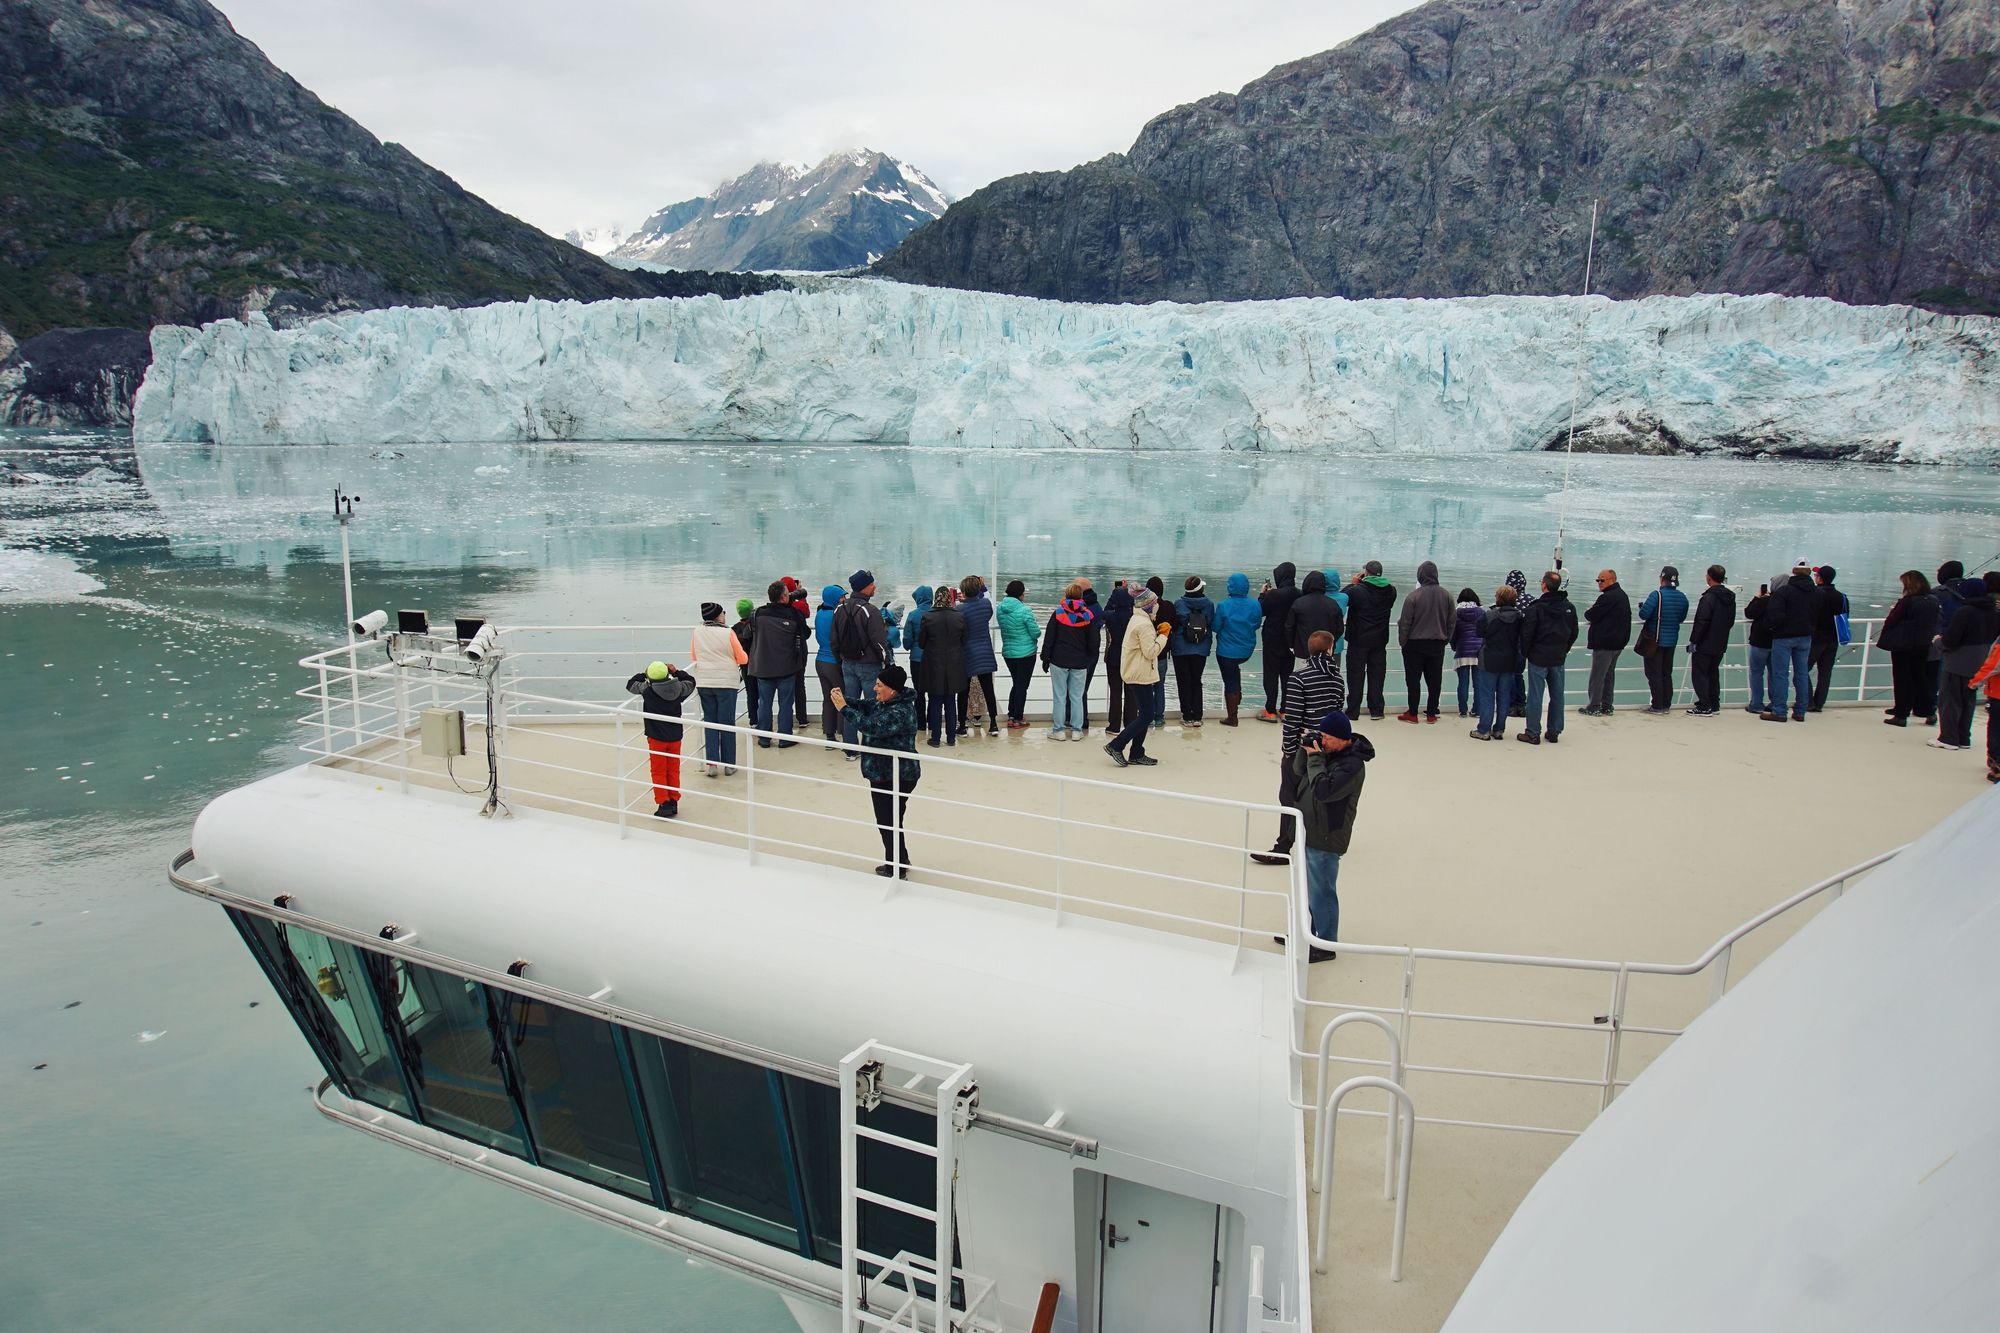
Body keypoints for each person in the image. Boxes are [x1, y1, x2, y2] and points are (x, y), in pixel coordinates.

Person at [1251, 630, 1346, 865]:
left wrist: (1288, 749)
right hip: (1328, 747)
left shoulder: (1299, 678)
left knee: (1289, 795)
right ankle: (1325, 842)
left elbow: (1292, 718)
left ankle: (1283, 847)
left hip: (1303, 747)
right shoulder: (1337, 679)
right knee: (1322, 794)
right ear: (1330, 649)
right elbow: (1338, 712)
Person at [1291, 708, 1374, 963]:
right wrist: (1305, 750)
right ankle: (1309, 936)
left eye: (1327, 737)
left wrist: (1316, 758)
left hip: (1327, 836)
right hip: (1311, 830)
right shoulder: (1329, 751)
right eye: (1321, 735)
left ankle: (1325, 945)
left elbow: (1324, 791)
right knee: (1310, 889)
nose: (1323, 741)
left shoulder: (1352, 765)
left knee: (1322, 892)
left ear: (1342, 738)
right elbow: (1298, 771)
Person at [829, 664, 920, 878]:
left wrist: (843, 709)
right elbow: (865, 705)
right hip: (883, 774)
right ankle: (899, 860)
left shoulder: (900, 710)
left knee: (888, 821)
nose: (875, 689)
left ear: (892, 689)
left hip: (896, 775)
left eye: (879, 685)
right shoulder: (885, 702)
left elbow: (873, 727)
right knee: (890, 821)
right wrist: (844, 699)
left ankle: (896, 868)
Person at [1104, 586, 1170, 767]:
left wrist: (1156, 635)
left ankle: (1136, 752)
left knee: (1145, 714)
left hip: (1136, 671)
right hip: (1140, 674)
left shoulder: (1137, 619)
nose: (1157, 605)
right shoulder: (1144, 624)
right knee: (1147, 714)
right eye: (1154, 602)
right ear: (1148, 605)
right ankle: (1116, 745)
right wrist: (1163, 636)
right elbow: (1150, 652)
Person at [624, 660, 695, 818]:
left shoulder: (647, 690)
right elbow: (691, 681)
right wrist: (676, 672)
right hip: (675, 737)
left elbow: (630, 684)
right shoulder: (679, 688)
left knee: (658, 771)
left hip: (656, 738)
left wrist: (644, 674)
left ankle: (664, 803)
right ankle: (674, 800)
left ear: (650, 677)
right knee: (673, 769)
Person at [831, 569, 891, 756]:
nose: (875, 586)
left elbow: (834, 640)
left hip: (847, 663)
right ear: (865, 587)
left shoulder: (839, 609)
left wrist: (839, 659)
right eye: (872, 584)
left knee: (850, 705)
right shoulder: (870, 611)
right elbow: (879, 642)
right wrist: (887, 663)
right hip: (869, 665)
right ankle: (873, 747)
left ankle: (850, 748)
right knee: (874, 705)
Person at [1935, 578, 1999, 751]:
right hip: (1980, 662)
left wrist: (1938, 642)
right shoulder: (1994, 612)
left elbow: (1951, 640)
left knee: (1949, 700)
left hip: (1957, 662)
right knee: (1968, 700)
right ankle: (1963, 737)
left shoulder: (1965, 612)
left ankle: (1948, 737)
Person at [1517, 571, 1578, 743]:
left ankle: (1532, 732)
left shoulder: (1536, 608)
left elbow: (1527, 634)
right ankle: (1554, 731)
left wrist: (1527, 652)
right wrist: (1564, 649)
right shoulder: (1568, 607)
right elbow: (1574, 632)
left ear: (1544, 585)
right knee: (1557, 695)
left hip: (1538, 657)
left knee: (1535, 696)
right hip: (1558, 657)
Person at [688, 602, 749, 775]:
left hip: (705, 682)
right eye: (723, 612)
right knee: (727, 723)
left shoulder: (697, 631)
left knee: (710, 721)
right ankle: (729, 765)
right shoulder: (727, 632)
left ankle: (712, 764)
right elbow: (743, 658)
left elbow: (694, 655)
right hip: (726, 683)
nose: (725, 614)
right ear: (717, 616)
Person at [747, 580, 809, 746]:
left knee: (764, 704)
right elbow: (806, 633)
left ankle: (764, 738)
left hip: (763, 667)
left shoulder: (758, 614)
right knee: (786, 704)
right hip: (786, 667)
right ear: (783, 597)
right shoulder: (793, 614)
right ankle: (785, 738)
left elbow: (749, 632)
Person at [1395, 560, 1454, 723]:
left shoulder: (1414, 596)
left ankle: (1413, 713)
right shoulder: (1447, 595)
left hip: (1414, 643)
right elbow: (1451, 622)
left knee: (1413, 679)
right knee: (1435, 680)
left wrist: (1403, 642)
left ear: (1420, 575)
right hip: (1437, 643)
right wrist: (1446, 639)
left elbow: (1405, 622)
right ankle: (1431, 713)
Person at [1879, 570, 1941, 727]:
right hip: (1922, 644)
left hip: (1904, 644)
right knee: (1919, 677)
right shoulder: (1933, 600)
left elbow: (1893, 620)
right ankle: (1929, 710)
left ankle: (1901, 713)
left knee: (1902, 678)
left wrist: (1893, 610)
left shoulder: (1908, 602)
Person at [1040, 582, 1099, 740]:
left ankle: (1058, 730)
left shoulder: (1058, 614)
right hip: (1080, 662)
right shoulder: (1088, 615)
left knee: (1059, 696)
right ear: (1081, 596)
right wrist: (1090, 658)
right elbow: (1094, 642)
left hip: (1059, 661)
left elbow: (1049, 638)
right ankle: (1076, 731)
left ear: (1066, 595)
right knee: (1077, 697)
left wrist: (1045, 658)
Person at [1762, 562, 1817, 722]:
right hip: (1806, 637)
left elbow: (1774, 616)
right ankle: (1800, 710)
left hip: (1783, 637)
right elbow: (1818, 614)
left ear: (1793, 572)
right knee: (1801, 673)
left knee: (1780, 674)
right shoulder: (1816, 593)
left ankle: (1779, 710)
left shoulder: (1784, 592)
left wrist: (1773, 628)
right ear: (1808, 573)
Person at [916, 585, 968, 746]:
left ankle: (936, 738)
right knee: (951, 701)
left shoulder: (927, 617)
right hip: (954, 665)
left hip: (933, 664)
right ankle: (951, 738)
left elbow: (922, 643)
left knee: (935, 701)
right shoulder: (959, 617)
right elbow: (963, 641)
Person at [1344, 562, 1397, 719]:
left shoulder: (1357, 591)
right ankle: (1376, 710)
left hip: (1358, 640)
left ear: (1366, 573)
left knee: (1355, 676)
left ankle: (1353, 711)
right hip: (1379, 641)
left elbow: (1342, 598)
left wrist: (1352, 584)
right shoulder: (1391, 591)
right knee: (1377, 676)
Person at [1472, 585, 1523, 740]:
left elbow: (1479, 631)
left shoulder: (1490, 615)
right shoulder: (1520, 617)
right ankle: (1499, 729)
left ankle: (1484, 729)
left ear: (1498, 598)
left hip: (1489, 659)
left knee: (1487, 695)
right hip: (1509, 660)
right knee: (1504, 695)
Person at [1684, 565, 1737, 717]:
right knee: (1713, 673)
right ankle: (1714, 704)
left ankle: (1704, 705)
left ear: (1709, 577)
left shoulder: (1709, 598)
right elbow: (1730, 621)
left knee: (1700, 674)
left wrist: (1694, 641)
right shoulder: (1730, 597)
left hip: (1705, 643)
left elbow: (1702, 620)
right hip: (1720, 642)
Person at [1637, 566, 1689, 713]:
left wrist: (1641, 608)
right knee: (1666, 673)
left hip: (1655, 641)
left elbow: (1644, 615)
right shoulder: (1682, 597)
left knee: (1654, 673)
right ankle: (1666, 704)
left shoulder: (1656, 595)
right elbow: (1681, 618)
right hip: (1671, 641)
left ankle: (1657, 705)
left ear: (1662, 578)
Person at [1213, 572, 1263, 726]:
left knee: (1230, 682)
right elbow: (1256, 623)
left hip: (1227, 652)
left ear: (1230, 586)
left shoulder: (1223, 605)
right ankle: (1237, 694)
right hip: (1246, 650)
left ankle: (1232, 717)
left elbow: (1215, 627)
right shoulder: (1255, 604)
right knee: (1234, 673)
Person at [1580, 570, 1631, 716]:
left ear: (1612, 580)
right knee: (1608, 675)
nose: (1599, 583)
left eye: (1602, 580)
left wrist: (1589, 610)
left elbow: (1591, 615)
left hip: (1605, 643)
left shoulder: (1608, 597)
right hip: (1617, 643)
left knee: (1598, 676)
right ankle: (1607, 705)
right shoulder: (1622, 595)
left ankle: (1594, 706)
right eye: (1598, 580)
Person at [1171, 576, 1218, 725]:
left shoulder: (1178, 604)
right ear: (1201, 589)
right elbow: (1210, 622)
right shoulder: (1209, 605)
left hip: (1181, 648)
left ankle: (1187, 716)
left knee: (1183, 682)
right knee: (1196, 681)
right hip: (1201, 648)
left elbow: (1174, 623)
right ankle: (1197, 716)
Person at [1258, 563, 1303, 721]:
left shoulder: (1274, 595)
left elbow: (1261, 611)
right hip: (1291, 642)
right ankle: (1285, 710)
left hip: (1272, 640)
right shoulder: (1300, 594)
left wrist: (1263, 595)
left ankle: (1270, 710)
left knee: (1271, 676)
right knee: (1287, 676)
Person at [958, 574, 999, 737]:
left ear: (963, 591)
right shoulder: (986, 604)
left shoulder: (959, 609)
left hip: (967, 653)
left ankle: (961, 725)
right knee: (988, 689)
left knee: (963, 691)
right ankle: (994, 724)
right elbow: (986, 614)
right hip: (985, 652)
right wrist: (982, 587)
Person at [997, 579, 1040, 729]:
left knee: (1016, 683)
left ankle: (1011, 715)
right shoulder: (1025, 610)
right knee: (1022, 685)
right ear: (1021, 594)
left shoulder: (1000, 608)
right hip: (1026, 653)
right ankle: (1017, 718)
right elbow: (1036, 632)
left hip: (1008, 653)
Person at [1808, 565, 1848, 712]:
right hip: (1833, 639)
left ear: (1820, 578)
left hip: (1816, 638)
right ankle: (1819, 703)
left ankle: (1808, 701)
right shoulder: (1841, 596)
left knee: (1802, 669)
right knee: (1825, 673)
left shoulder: (1815, 594)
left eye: (1816, 575)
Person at [812, 584, 847, 743]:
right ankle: (843, 730)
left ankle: (829, 734)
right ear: (834, 598)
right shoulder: (836, 615)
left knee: (828, 698)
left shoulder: (819, 614)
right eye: (841, 596)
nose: (844, 599)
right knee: (841, 697)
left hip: (820, 660)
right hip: (834, 661)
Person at [1101, 581, 1135, 735]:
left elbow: (1106, 609)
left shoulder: (1110, 616)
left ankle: (1114, 725)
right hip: (1131, 658)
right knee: (1131, 692)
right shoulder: (1135, 617)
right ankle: (1131, 724)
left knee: (1115, 692)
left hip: (1114, 656)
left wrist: (1114, 593)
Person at [780, 576, 815, 724]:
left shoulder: (777, 607)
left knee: (784, 686)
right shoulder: (797, 606)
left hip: (781, 649)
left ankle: (785, 719)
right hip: (799, 648)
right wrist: (800, 592)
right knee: (799, 684)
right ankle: (802, 718)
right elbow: (806, 612)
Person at [1740, 577, 1777, 715]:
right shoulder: (1784, 601)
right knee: (1775, 674)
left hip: (1759, 641)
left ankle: (1756, 704)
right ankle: (1775, 702)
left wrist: (1757, 598)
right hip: (1777, 642)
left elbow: (1749, 612)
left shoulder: (1765, 601)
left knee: (1756, 673)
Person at [1969, 637, 2000, 783]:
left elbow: (1993, 666)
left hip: (1998, 694)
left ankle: (1997, 761)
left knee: (1995, 727)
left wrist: (1975, 682)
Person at [1145, 576, 1174, 725]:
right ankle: (1159, 717)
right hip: (1162, 653)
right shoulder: (1169, 606)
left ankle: (1147, 717)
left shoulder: (1144, 609)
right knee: (1160, 684)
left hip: (1147, 653)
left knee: (1147, 686)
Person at [1451, 588, 1484, 717]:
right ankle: (1476, 710)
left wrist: (1455, 647)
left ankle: (1463, 710)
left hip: (1462, 650)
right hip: (1478, 652)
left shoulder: (1456, 613)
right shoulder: (1481, 612)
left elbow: (1453, 634)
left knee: (1463, 682)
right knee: (1478, 683)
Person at [903, 584, 933, 723]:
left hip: (916, 659)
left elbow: (907, 641)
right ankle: (933, 722)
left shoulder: (913, 615)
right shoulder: (936, 613)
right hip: (934, 659)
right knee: (934, 692)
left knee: (919, 692)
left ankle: (920, 723)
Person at [731, 596, 757, 714]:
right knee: (761, 692)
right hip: (758, 662)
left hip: (745, 665)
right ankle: (762, 718)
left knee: (750, 692)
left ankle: (753, 719)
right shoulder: (756, 625)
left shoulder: (734, 629)